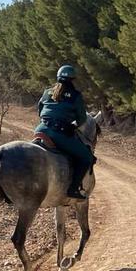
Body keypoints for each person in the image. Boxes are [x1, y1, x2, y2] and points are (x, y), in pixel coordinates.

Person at [35, 64, 94, 200]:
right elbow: (82, 118)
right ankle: (73, 189)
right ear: (73, 79)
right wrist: (73, 125)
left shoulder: (47, 91)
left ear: (57, 77)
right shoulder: (75, 96)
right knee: (86, 157)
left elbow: (40, 109)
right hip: (58, 133)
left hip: (41, 129)